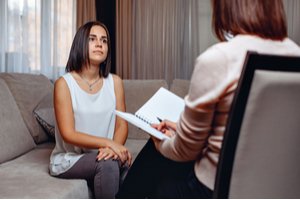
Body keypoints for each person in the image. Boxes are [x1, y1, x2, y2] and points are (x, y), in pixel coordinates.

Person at [116, 0, 300, 198]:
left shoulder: (219, 58)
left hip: (216, 189)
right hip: (276, 188)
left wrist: (158, 139)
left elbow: (183, 151)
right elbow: (254, 129)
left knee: (154, 159)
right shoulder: (295, 54)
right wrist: (182, 128)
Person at [49, 21, 132, 198]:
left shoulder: (115, 82)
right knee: (109, 164)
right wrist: (110, 144)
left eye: (104, 40)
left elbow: (121, 126)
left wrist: (113, 149)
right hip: (71, 159)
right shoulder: (64, 84)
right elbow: (68, 134)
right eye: (92, 39)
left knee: (129, 166)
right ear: (80, 43)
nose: (99, 44)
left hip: (106, 153)